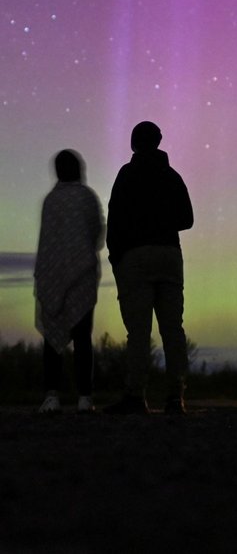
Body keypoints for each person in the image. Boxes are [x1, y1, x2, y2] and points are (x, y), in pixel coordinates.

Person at [104, 121, 193, 415]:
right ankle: (175, 397)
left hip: (135, 257)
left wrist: (116, 258)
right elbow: (187, 219)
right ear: (158, 142)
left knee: (138, 332)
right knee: (173, 329)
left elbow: (114, 219)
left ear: (134, 143)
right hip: (169, 255)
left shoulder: (127, 175)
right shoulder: (171, 176)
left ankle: (135, 395)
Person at [34, 149, 104, 413]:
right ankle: (85, 397)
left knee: (52, 339)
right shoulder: (87, 197)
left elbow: (48, 240)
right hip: (82, 274)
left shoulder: (50, 200)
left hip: (52, 275)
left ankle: (51, 396)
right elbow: (97, 231)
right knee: (83, 335)